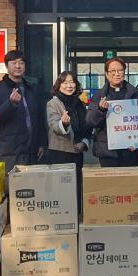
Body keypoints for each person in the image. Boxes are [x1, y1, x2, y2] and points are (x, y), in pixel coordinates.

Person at [0, 49, 47, 173]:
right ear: (6, 66)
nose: (18, 66)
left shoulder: (31, 89)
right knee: (11, 183)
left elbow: (40, 118)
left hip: (32, 150)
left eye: (21, 63)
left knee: (31, 184)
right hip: (9, 151)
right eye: (14, 63)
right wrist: (11, 104)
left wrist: (42, 143)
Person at [86, 57, 138, 167]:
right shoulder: (99, 95)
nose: (117, 74)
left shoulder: (134, 94)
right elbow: (89, 121)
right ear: (106, 74)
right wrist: (100, 110)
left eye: (120, 70)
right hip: (107, 151)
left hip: (130, 149)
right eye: (112, 71)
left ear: (124, 72)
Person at [46, 71, 89, 210]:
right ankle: (61, 216)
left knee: (76, 186)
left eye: (72, 82)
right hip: (59, 152)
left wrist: (84, 142)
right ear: (58, 85)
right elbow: (54, 125)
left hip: (77, 151)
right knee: (60, 188)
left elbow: (87, 126)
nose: (69, 86)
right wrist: (63, 124)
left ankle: (75, 215)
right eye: (65, 82)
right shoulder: (53, 103)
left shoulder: (80, 104)